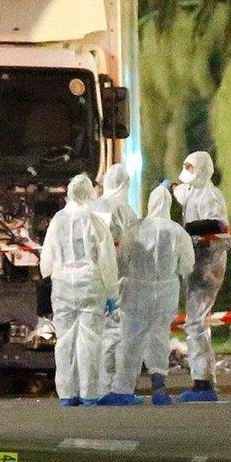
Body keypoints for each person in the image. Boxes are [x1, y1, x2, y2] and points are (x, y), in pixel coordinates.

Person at [101, 184, 194, 406]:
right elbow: (187, 266)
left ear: (150, 203)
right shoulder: (177, 232)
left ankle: (123, 390)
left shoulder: (135, 228)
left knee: (130, 340)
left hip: (137, 290)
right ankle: (159, 387)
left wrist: (116, 285)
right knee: (159, 338)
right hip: (166, 291)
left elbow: (122, 260)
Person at [40, 174, 119, 407]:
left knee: (65, 340)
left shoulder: (58, 220)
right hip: (89, 284)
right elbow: (106, 260)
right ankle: (89, 393)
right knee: (89, 340)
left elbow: (47, 255)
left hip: (63, 283)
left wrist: (49, 272)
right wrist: (111, 292)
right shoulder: (95, 221)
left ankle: (66, 393)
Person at [172, 151, 231, 402]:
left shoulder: (210, 195)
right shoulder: (193, 191)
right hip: (197, 264)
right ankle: (205, 379)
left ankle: (202, 382)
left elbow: (218, 226)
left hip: (208, 265)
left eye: (190, 166)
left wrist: (187, 230)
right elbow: (180, 192)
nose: (186, 170)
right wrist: (168, 187)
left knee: (196, 321)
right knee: (197, 320)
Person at [90, 164, 139, 400]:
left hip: (95, 277)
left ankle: (97, 385)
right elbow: (133, 246)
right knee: (115, 332)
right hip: (118, 277)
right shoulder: (125, 210)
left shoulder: (96, 206)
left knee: (98, 331)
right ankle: (111, 387)